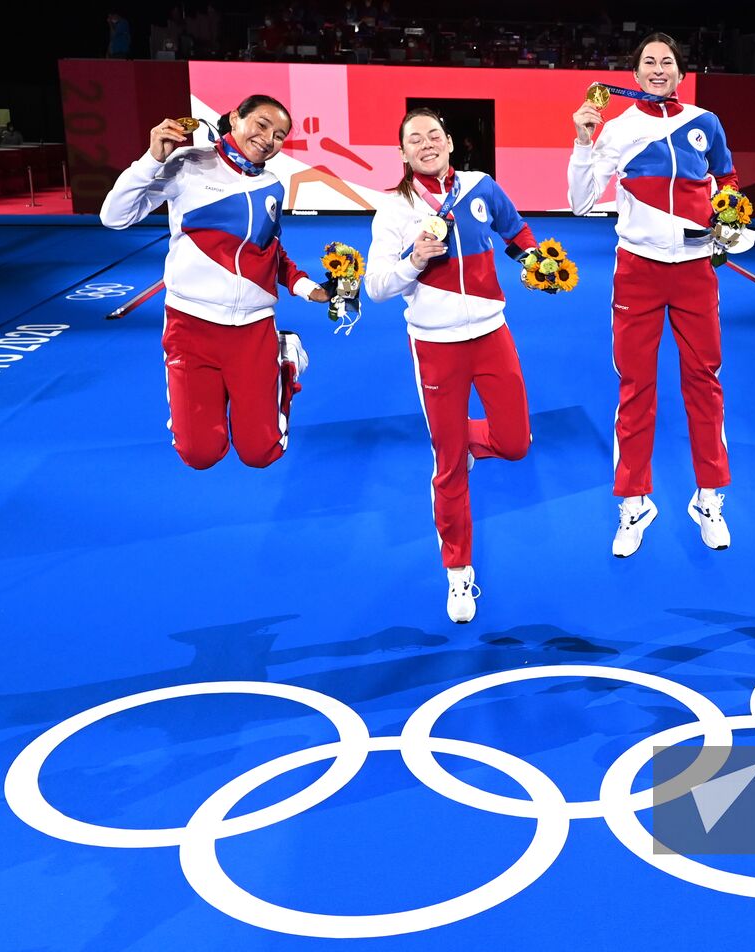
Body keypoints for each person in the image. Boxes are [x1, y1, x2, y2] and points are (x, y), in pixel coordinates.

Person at [365, 107, 538, 624]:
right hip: (435, 345)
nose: (425, 143)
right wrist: (414, 259)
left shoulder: (481, 186)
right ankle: (459, 572)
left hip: (491, 334)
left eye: (433, 135)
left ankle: (460, 439)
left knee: (514, 442)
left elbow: (517, 230)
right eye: (413, 139)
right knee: (446, 464)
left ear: (450, 143)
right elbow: (376, 287)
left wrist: (538, 262)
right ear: (401, 153)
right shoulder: (394, 210)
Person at [568, 31, 737, 558]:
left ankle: (709, 498)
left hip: (693, 270)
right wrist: (583, 141)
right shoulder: (618, 128)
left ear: (681, 72)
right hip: (637, 271)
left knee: (704, 382)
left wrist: (730, 217)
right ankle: (635, 501)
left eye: (667, 61)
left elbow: (727, 181)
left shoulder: (705, 123)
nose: (658, 68)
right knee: (636, 386)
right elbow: (578, 202)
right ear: (635, 74)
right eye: (649, 62)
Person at [99, 94, 329, 471]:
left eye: (280, 135)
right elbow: (114, 216)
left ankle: (283, 360)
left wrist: (306, 288)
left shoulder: (271, 185)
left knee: (261, 454)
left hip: (253, 331)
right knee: (200, 455)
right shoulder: (187, 164)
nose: (269, 138)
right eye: (262, 124)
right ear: (236, 119)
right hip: (191, 326)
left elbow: (270, 250)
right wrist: (152, 159)